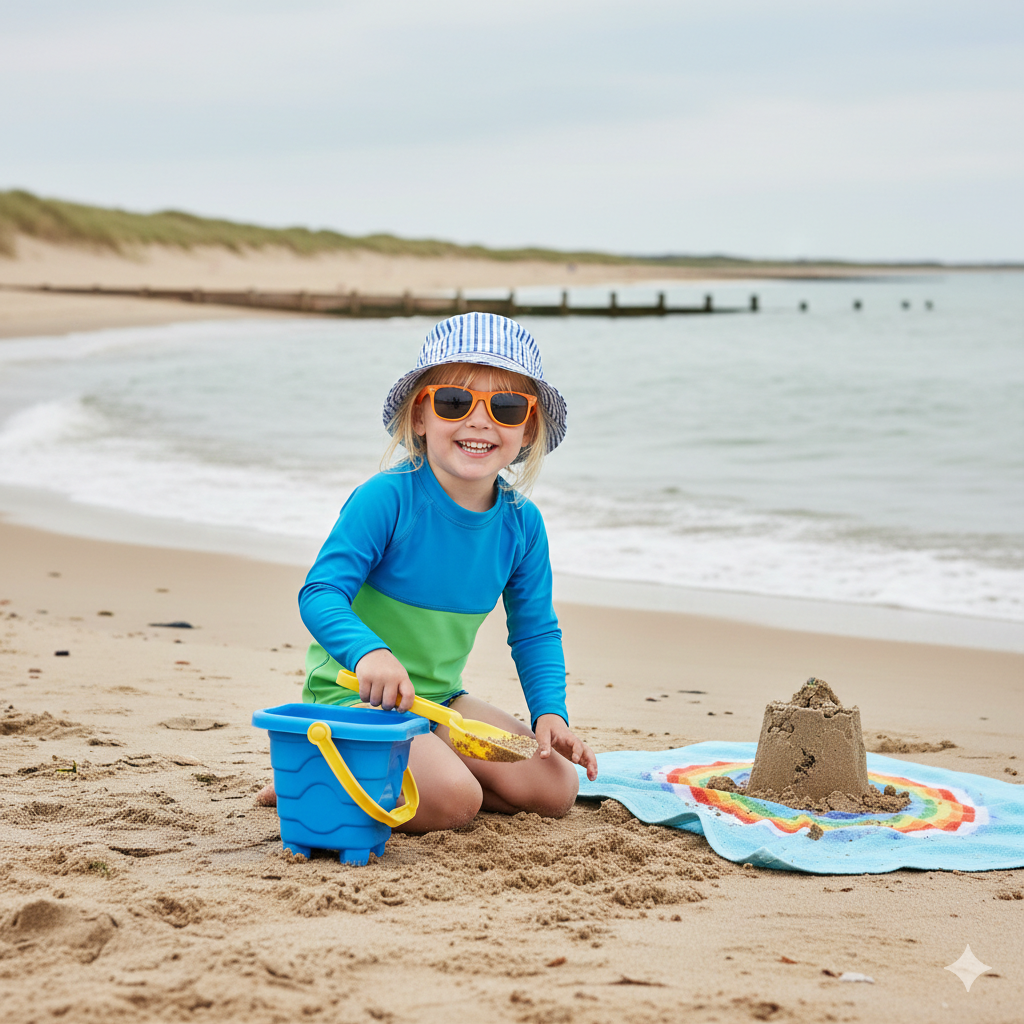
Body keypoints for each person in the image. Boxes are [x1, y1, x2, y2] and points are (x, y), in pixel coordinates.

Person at [258, 312, 597, 831]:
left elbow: (534, 631)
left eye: (505, 408)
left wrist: (550, 714)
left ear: (526, 428)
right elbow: (321, 592)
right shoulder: (388, 499)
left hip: (441, 703)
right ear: (421, 416)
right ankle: (319, 768)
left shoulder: (521, 525)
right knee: (457, 802)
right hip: (356, 699)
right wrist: (369, 653)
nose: (479, 421)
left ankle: (405, 765)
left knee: (556, 790)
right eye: (455, 402)